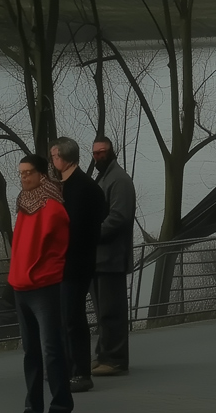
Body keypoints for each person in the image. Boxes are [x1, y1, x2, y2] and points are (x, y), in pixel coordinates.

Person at [9, 154, 72, 413]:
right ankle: (32, 407)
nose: (24, 177)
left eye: (28, 173)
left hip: (43, 287)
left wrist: (41, 272)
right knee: (30, 353)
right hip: (21, 287)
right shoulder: (24, 203)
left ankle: (60, 406)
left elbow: (59, 250)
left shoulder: (53, 206)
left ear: (41, 174)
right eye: (21, 173)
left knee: (51, 351)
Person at [49, 137, 104, 393]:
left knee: (73, 318)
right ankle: (68, 368)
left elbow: (78, 229)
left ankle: (81, 372)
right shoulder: (67, 186)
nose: (52, 160)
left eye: (53, 155)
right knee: (64, 317)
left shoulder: (82, 187)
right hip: (67, 263)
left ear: (60, 156)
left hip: (75, 263)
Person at [88, 135, 135, 377]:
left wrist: (91, 234)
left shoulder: (119, 180)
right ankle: (104, 355)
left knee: (112, 311)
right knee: (103, 312)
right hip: (100, 257)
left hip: (111, 258)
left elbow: (119, 217)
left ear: (111, 151)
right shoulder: (105, 178)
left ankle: (115, 359)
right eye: (94, 153)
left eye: (102, 152)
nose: (97, 157)